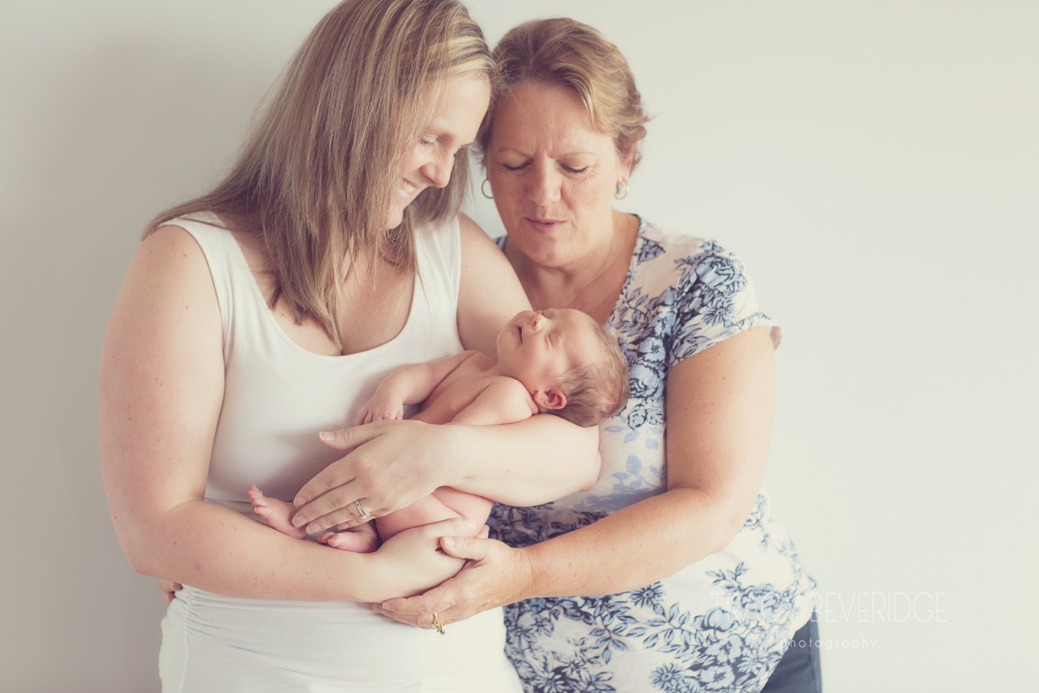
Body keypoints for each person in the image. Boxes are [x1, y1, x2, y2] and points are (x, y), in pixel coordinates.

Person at [99, 3, 600, 691]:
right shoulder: (189, 263)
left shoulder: (453, 250)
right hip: (254, 669)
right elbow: (153, 530)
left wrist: (435, 453)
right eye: (431, 138)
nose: (438, 174)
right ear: (356, 104)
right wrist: (372, 574)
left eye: (458, 151)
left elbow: (577, 449)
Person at [371, 18, 821, 693]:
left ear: (626, 158)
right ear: (480, 164)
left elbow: (712, 505)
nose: (543, 194)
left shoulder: (695, 281)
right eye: (513, 164)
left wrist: (523, 574)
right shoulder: (456, 281)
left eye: (574, 166)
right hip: (527, 674)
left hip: (734, 662)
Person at [249, 307, 629, 553]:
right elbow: (426, 375)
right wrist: (392, 392)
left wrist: (395, 443)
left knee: (373, 469)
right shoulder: (475, 362)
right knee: (368, 465)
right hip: (413, 486)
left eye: (549, 337)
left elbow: (447, 447)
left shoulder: (510, 397)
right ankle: (364, 534)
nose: (537, 320)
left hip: (441, 513)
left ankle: (306, 520)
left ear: (550, 396)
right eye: (548, 313)